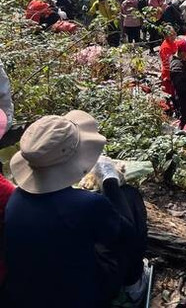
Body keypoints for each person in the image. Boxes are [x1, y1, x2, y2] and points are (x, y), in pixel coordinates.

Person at [4, 111, 147, 308]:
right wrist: (110, 181)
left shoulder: (16, 199)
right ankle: (134, 283)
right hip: (81, 296)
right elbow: (126, 236)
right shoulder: (88, 205)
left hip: (27, 293)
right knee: (130, 198)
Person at [158, 26, 179, 96]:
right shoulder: (165, 48)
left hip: (176, 72)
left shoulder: (174, 42)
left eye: (174, 34)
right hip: (169, 75)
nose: (174, 36)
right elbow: (168, 64)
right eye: (171, 35)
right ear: (165, 36)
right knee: (171, 96)